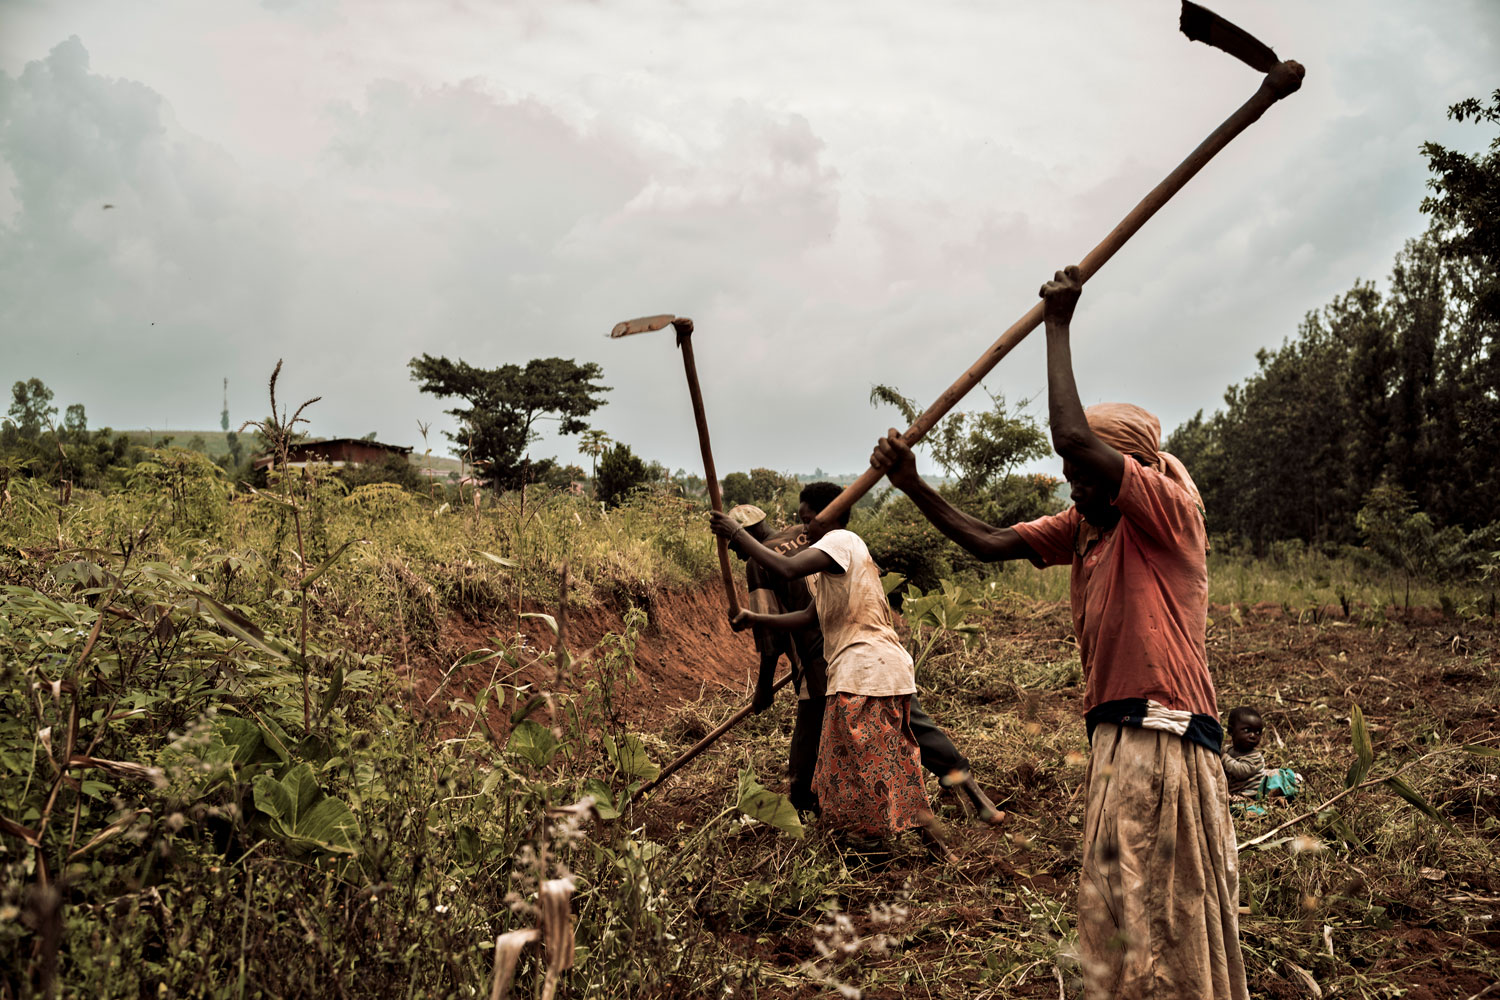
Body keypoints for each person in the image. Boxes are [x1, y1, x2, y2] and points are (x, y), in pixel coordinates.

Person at [869, 266, 1248, 999]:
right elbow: (988, 542)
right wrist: (912, 484)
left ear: (1126, 468)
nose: (1073, 482)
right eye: (1069, 472)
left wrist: (1058, 322)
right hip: (1115, 731)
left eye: (1084, 471)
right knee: (1125, 912)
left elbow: (1070, 432)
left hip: (1163, 732)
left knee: (1164, 912)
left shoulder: (1166, 511)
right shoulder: (1086, 523)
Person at [725, 503, 1004, 825]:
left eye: (733, 546)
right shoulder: (825, 542)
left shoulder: (763, 560)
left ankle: (812, 818)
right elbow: (813, 612)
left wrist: (763, 688)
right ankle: (976, 798)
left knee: (817, 753)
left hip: (831, 664)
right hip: (879, 652)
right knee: (912, 724)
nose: (735, 554)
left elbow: (770, 638)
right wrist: (756, 618)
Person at [709, 484, 948, 858]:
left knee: (854, 762)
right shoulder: (829, 559)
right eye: (801, 521)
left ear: (830, 516)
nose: (803, 530)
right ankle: (923, 840)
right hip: (871, 671)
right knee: (883, 756)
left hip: (861, 673)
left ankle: (872, 840)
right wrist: (754, 617)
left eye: (808, 521)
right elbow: (809, 616)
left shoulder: (838, 540)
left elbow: (785, 571)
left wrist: (735, 534)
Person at [1223, 705, 1302, 814]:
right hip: (1235, 790)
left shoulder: (1255, 757)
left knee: (1244, 809)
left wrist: (1223, 758)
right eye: (1247, 730)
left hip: (1253, 793)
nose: (1253, 736)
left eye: (1258, 732)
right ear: (1231, 731)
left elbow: (1241, 771)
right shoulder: (1227, 750)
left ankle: (1292, 781)